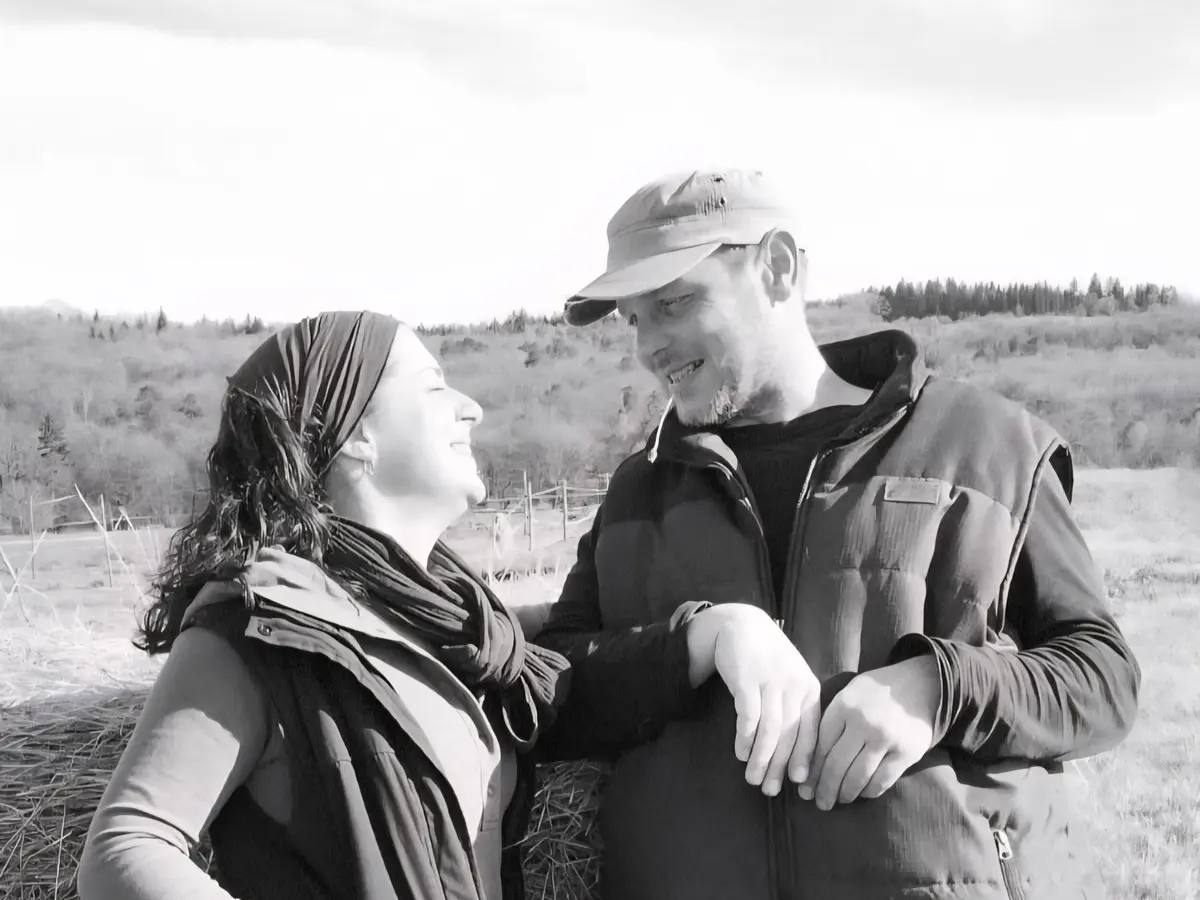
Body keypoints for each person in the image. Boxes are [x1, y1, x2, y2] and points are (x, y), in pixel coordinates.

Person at [533, 169, 1141, 900]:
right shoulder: (640, 488)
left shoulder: (989, 447)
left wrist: (939, 686)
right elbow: (553, 693)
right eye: (634, 318)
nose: (649, 346)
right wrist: (699, 640)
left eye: (674, 303)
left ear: (779, 268)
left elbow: (1104, 682)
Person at [77, 311, 569, 900]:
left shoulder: (448, 622)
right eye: (434, 385)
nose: (471, 407)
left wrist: (689, 638)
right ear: (357, 434)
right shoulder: (256, 627)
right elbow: (124, 847)